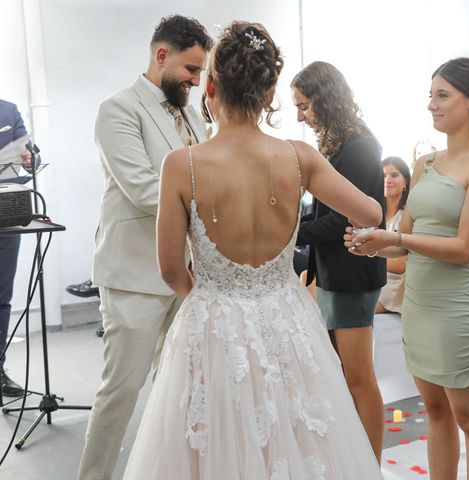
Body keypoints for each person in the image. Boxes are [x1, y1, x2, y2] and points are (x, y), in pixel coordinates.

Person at [122, 21, 383, 479]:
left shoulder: (181, 165)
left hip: (212, 323)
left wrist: (211, 301)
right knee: (298, 434)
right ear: (268, 95)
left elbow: (169, 269)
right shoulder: (300, 156)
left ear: (212, 88)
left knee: (212, 443)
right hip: (286, 316)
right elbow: (371, 214)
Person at [347, 57, 469, 480]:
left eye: (441, 96)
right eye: (430, 96)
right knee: (435, 412)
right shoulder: (425, 164)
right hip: (419, 303)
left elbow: (464, 249)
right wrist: (371, 247)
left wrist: (394, 238)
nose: (431, 106)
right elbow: (407, 250)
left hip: (460, 308)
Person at [77, 16, 213, 480]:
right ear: (161, 57)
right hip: (134, 274)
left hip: (189, 276)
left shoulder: (193, 115)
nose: (196, 82)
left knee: (179, 389)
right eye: (191, 70)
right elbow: (143, 189)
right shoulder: (117, 110)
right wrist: (222, 206)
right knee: (122, 390)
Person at [291, 61, 386, 461]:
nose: (299, 115)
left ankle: (370, 464)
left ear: (325, 100)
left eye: (304, 105)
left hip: (353, 271)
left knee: (359, 378)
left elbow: (341, 219)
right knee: (343, 374)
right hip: (334, 269)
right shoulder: (339, 140)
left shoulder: (360, 145)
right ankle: (353, 458)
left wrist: (285, 233)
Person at [0, 99, 34, 398]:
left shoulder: (8, 111)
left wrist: (29, 158)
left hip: (5, 218)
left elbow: (29, 153)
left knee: (1, 297)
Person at [376, 156, 410, 314]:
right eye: (383, 176)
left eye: (394, 175)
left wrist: (362, 261)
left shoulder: (406, 217)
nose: (387, 180)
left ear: (406, 183)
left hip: (391, 286)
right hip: (372, 276)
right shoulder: (374, 215)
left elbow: (401, 264)